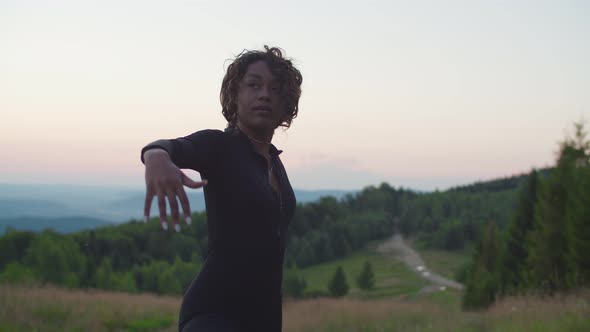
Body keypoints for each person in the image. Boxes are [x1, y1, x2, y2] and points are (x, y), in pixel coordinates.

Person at [140, 46, 303, 332]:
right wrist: (155, 156)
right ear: (235, 96)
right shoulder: (219, 147)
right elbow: (172, 147)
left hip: (262, 320)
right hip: (213, 315)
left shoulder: (275, 164)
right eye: (253, 85)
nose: (264, 94)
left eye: (275, 89)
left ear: (285, 104)